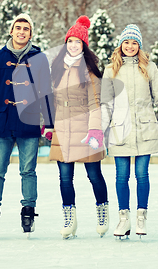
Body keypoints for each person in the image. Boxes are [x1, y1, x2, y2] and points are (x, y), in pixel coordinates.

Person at [0, 13, 54, 238]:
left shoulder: (39, 58)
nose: (21, 32)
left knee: (28, 171)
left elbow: (46, 93)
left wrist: (50, 122)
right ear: (11, 31)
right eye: (18, 28)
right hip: (2, 122)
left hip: (28, 123)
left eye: (26, 29)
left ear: (31, 34)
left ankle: (28, 212)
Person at [101, 24, 158, 239]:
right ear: (121, 45)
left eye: (134, 43)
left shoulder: (149, 68)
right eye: (127, 42)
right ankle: (124, 219)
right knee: (121, 176)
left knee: (142, 174)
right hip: (120, 129)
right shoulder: (110, 70)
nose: (130, 46)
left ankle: (141, 216)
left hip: (145, 127)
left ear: (139, 46)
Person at [48, 15, 109, 239]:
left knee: (94, 175)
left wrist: (94, 131)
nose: (73, 45)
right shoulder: (57, 67)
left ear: (84, 45)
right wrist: (48, 125)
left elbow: (95, 103)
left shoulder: (89, 70)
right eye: (70, 41)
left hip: (85, 130)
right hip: (63, 129)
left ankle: (102, 211)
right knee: (65, 178)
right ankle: (69, 220)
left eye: (78, 41)